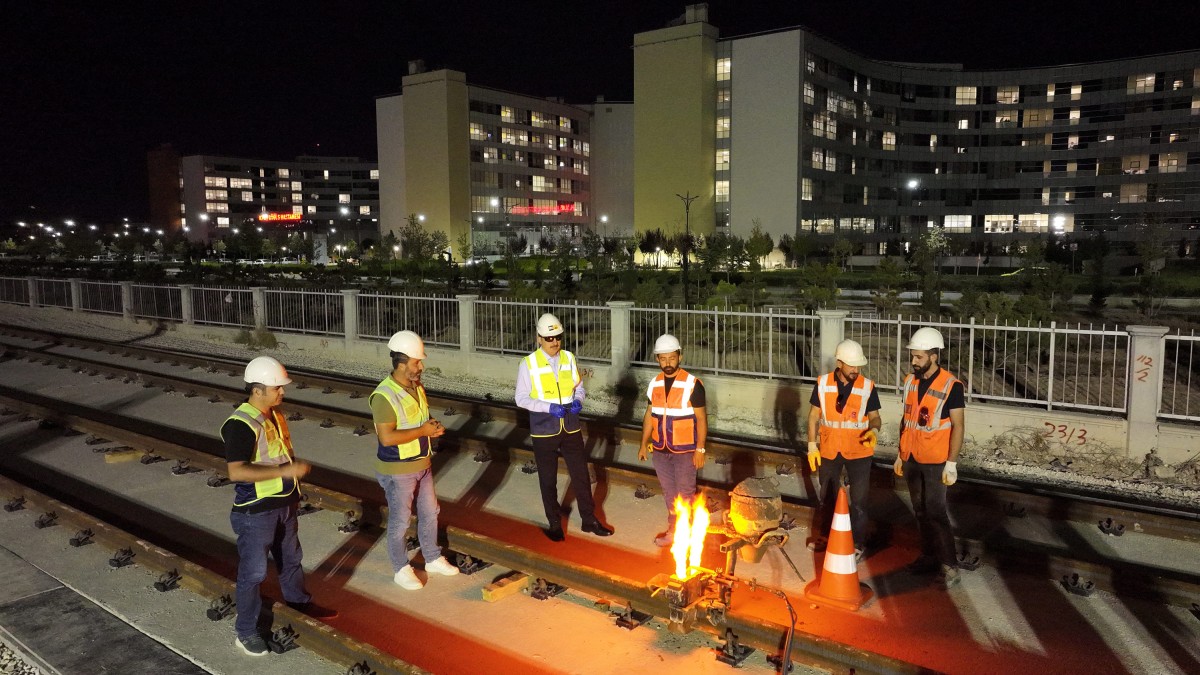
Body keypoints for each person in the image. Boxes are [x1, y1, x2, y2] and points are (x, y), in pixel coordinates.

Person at [223, 356, 336, 657]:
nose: (282, 392)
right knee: (254, 573)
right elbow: (236, 471)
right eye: (277, 388)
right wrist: (285, 472)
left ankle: (299, 605)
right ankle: (245, 632)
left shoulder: (274, 414)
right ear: (257, 390)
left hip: (285, 504)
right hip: (255, 512)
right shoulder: (240, 424)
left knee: (291, 559)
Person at [370, 330, 460, 590]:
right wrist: (423, 431)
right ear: (401, 363)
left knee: (430, 512)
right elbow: (387, 438)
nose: (421, 367)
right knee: (400, 521)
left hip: (422, 464)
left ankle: (431, 557)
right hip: (398, 470)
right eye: (416, 362)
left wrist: (432, 427)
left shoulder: (417, 387)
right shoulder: (384, 396)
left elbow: (420, 418)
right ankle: (400, 568)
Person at [515, 312, 613, 541]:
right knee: (548, 480)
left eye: (558, 337)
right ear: (539, 338)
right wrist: (547, 407)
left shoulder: (569, 358)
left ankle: (589, 520)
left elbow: (579, 387)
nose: (554, 342)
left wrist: (579, 399)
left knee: (581, 475)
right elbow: (521, 398)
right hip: (543, 429)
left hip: (570, 427)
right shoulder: (528, 364)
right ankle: (554, 523)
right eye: (549, 338)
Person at [894, 327, 966, 590]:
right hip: (912, 456)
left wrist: (951, 463)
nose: (913, 362)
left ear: (934, 356)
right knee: (920, 511)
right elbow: (907, 419)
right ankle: (928, 557)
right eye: (913, 356)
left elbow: (958, 426)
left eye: (919, 357)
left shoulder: (951, 386)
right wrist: (900, 456)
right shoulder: (910, 382)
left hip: (936, 460)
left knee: (936, 512)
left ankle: (950, 566)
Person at [806, 339, 881, 561]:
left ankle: (857, 543)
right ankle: (826, 536)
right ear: (839, 363)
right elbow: (813, 416)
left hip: (859, 451)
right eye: (851, 366)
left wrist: (874, 431)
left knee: (859, 502)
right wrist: (811, 446)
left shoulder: (867, 387)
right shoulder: (822, 384)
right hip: (829, 449)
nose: (855, 370)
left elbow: (875, 417)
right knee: (827, 496)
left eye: (858, 366)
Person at [638, 334, 707, 547]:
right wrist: (643, 444)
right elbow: (649, 415)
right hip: (661, 450)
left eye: (672, 358)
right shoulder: (655, 384)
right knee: (670, 495)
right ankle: (674, 531)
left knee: (685, 494)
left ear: (680, 357)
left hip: (685, 451)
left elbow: (702, 419)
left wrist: (700, 450)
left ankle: (686, 537)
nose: (668, 363)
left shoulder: (692, 384)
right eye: (663, 359)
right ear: (657, 359)